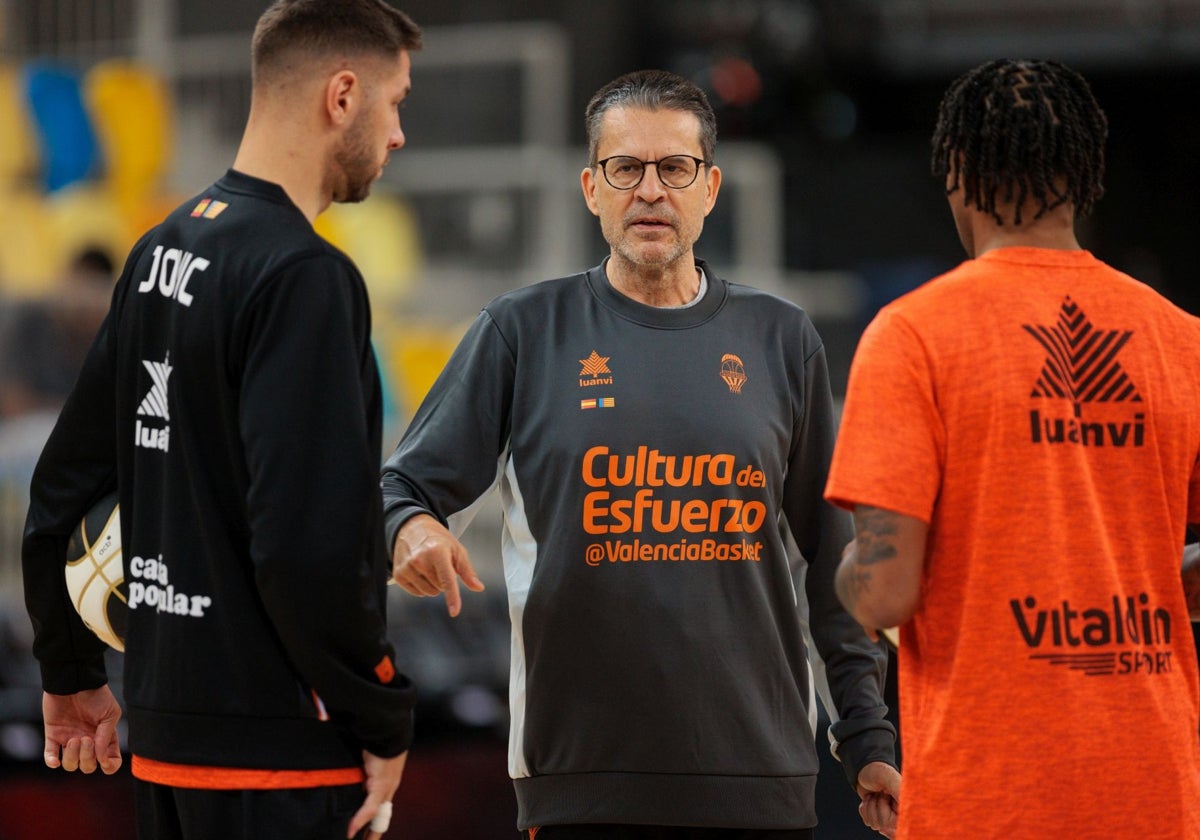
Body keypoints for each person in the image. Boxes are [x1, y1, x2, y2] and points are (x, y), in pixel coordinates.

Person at [381, 68, 900, 839]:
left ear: (711, 187)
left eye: (674, 168)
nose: (650, 191)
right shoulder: (522, 331)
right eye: (626, 168)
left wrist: (865, 737)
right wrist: (409, 528)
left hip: (758, 777)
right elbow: (403, 486)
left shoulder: (783, 339)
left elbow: (834, 560)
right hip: (578, 782)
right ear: (592, 188)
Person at [22, 2, 423, 838]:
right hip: (276, 758)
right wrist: (380, 709)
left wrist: (68, 671)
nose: (398, 135)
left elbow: (61, 486)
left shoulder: (160, 248)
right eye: (396, 103)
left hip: (166, 743)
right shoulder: (305, 276)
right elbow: (303, 548)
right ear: (341, 96)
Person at [826, 59, 1200, 839]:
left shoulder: (912, 336)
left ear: (957, 172)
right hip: (1155, 785)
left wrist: (843, 579)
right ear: (1084, 173)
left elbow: (886, 592)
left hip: (988, 792)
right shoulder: (1180, 338)